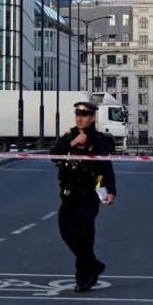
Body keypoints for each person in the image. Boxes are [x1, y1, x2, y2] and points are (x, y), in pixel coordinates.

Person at [50, 100, 117, 292]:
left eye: (85, 115)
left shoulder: (101, 141)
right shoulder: (69, 135)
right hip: (68, 193)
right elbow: (54, 155)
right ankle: (94, 264)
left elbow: (106, 168)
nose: (80, 118)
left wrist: (110, 191)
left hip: (90, 193)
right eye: (78, 114)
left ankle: (83, 277)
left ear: (93, 117)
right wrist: (72, 144)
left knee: (85, 235)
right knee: (66, 232)